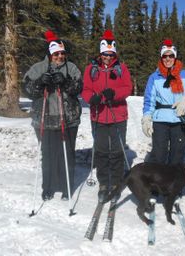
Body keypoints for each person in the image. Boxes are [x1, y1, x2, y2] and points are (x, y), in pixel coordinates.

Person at [22, 30, 83, 201]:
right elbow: (27, 90)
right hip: (45, 118)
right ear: (50, 53)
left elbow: (78, 88)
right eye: (56, 53)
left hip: (68, 118)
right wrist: (40, 82)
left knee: (67, 155)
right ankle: (47, 187)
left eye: (62, 53)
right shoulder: (37, 68)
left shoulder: (71, 68)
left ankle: (66, 187)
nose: (60, 56)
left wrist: (65, 82)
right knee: (48, 154)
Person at [82, 30, 133, 202]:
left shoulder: (121, 68)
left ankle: (116, 184)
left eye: (111, 55)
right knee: (102, 151)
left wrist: (114, 94)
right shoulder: (91, 69)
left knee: (117, 150)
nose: (108, 58)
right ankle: (104, 183)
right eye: (105, 54)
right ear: (101, 53)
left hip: (117, 115)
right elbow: (86, 90)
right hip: (98, 115)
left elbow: (127, 88)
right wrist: (92, 98)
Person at [142, 39, 185, 165]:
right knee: (158, 155)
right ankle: (157, 182)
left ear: (175, 57)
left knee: (177, 155)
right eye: (165, 56)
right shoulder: (154, 77)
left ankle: (173, 183)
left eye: (171, 55)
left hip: (180, 118)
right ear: (161, 57)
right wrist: (146, 118)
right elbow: (149, 100)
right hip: (160, 120)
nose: (168, 58)